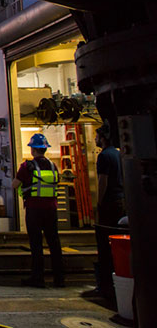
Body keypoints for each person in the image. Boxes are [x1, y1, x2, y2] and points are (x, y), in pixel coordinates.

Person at [12, 133, 64, 288]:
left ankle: (38, 278)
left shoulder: (27, 166)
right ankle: (59, 279)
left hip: (34, 210)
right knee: (54, 244)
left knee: (36, 245)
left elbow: (14, 185)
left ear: (33, 150)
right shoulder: (53, 165)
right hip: (51, 209)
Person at [92, 121, 125, 300]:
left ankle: (106, 285)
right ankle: (117, 275)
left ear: (103, 138)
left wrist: (99, 203)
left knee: (104, 243)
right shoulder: (119, 155)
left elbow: (102, 181)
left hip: (109, 203)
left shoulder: (104, 156)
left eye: (97, 136)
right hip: (121, 201)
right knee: (118, 242)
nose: (95, 139)